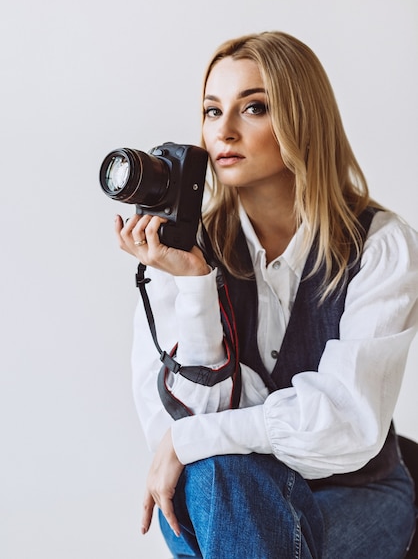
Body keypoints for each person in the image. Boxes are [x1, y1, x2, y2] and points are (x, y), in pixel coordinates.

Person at [114, 31, 418, 558]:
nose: (224, 131)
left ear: (302, 118)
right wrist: (194, 289)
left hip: (353, 492)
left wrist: (194, 440)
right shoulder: (181, 252)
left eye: (253, 108)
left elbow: (347, 422)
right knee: (222, 478)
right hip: (229, 492)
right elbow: (179, 418)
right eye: (212, 111)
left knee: (225, 491)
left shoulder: (380, 244)